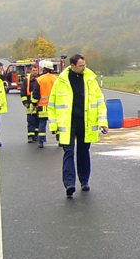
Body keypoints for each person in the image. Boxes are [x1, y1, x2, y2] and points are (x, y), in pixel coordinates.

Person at [48, 54, 108, 198]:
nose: (84, 68)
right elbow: (52, 105)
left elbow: (100, 102)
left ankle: (84, 181)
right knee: (68, 152)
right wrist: (53, 125)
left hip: (85, 123)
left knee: (83, 152)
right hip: (67, 124)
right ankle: (69, 184)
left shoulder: (90, 80)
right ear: (72, 66)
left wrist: (102, 122)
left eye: (84, 65)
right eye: (81, 66)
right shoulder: (61, 81)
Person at [36, 61, 58, 148]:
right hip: (55, 106)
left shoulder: (39, 79)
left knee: (42, 124)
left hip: (42, 106)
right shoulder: (56, 79)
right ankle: (60, 139)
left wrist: (34, 103)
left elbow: (36, 93)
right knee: (56, 123)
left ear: (44, 68)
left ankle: (41, 141)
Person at [20, 64, 41, 143]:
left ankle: (36, 135)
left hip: (39, 104)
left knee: (38, 121)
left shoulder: (40, 79)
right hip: (30, 104)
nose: (35, 72)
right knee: (31, 121)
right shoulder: (27, 80)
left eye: (36, 70)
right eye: (33, 70)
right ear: (30, 71)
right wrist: (25, 102)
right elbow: (23, 92)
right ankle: (30, 136)